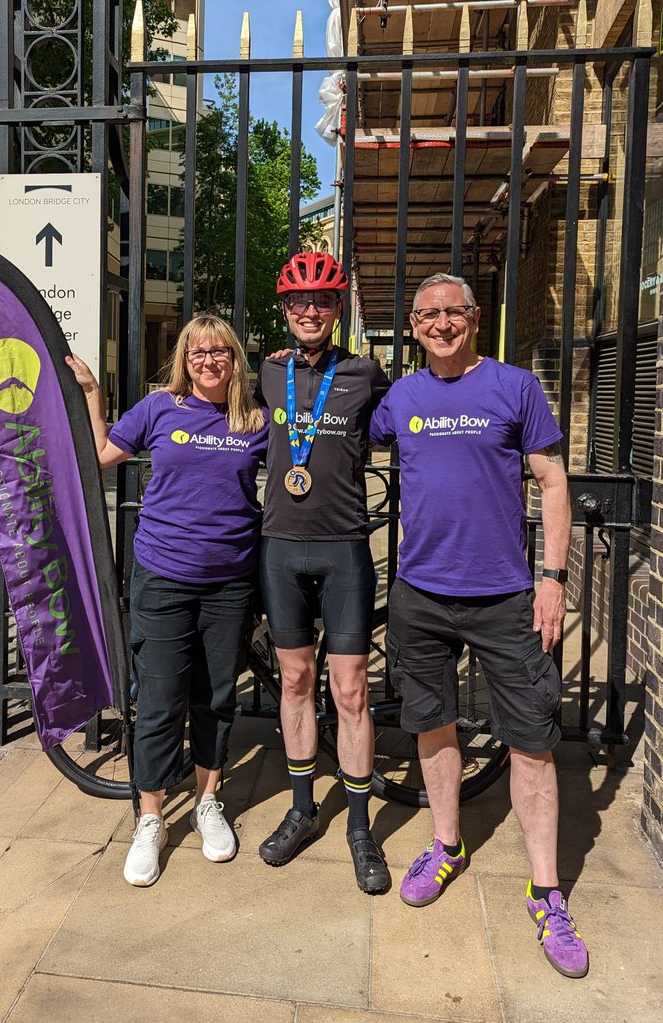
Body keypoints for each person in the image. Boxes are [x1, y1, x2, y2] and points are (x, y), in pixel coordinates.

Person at [369, 272, 587, 978]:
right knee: (431, 725)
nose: (440, 322)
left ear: (473, 318)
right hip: (420, 595)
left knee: (530, 742)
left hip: (504, 597)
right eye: (427, 314)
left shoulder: (515, 387)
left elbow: (553, 483)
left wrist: (553, 580)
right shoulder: (401, 398)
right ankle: (446, 844)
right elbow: (336, 432)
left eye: (452, 312)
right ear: (412, 325)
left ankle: (546, 891)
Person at [66, 315, 268, 888]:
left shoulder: (254, 420)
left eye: (220, 350)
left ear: (235, 358)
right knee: (157, 699)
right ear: (185, 359)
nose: (209, 360)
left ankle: (208, 801)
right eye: (198, 351)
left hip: (230, 581)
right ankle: (150, 817)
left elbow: (293, 470)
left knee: (215, 696)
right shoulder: (160, 409)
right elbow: (102, 452)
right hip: (163, 576)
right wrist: (90, 392)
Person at [255, 251, 392, 893]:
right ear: (284, 311)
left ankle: (361, 827)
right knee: (294, 680)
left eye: (323, 301)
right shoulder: (266, 369)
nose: (310, 310)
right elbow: (196, 397)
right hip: (281, 547)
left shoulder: (367, 373)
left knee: (353, 688)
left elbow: (415, 425)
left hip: (343, 549)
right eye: (299, 302)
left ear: (338, 310)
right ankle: (305, 809)